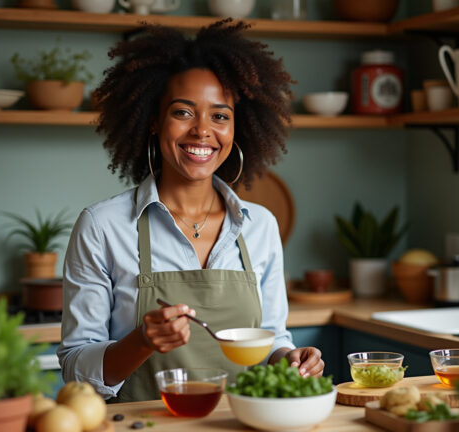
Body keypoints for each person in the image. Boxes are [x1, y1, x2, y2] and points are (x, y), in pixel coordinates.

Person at [58, 19, 325, 402]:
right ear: (153, 120)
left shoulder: (260, 226)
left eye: (220, 116)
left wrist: (289, 359)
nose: (202, 131)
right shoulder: (103, 226)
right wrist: (142, 341)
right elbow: (77, 369)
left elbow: (270, 338)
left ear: (238, 128)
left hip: (240, 426)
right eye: (183, 112)